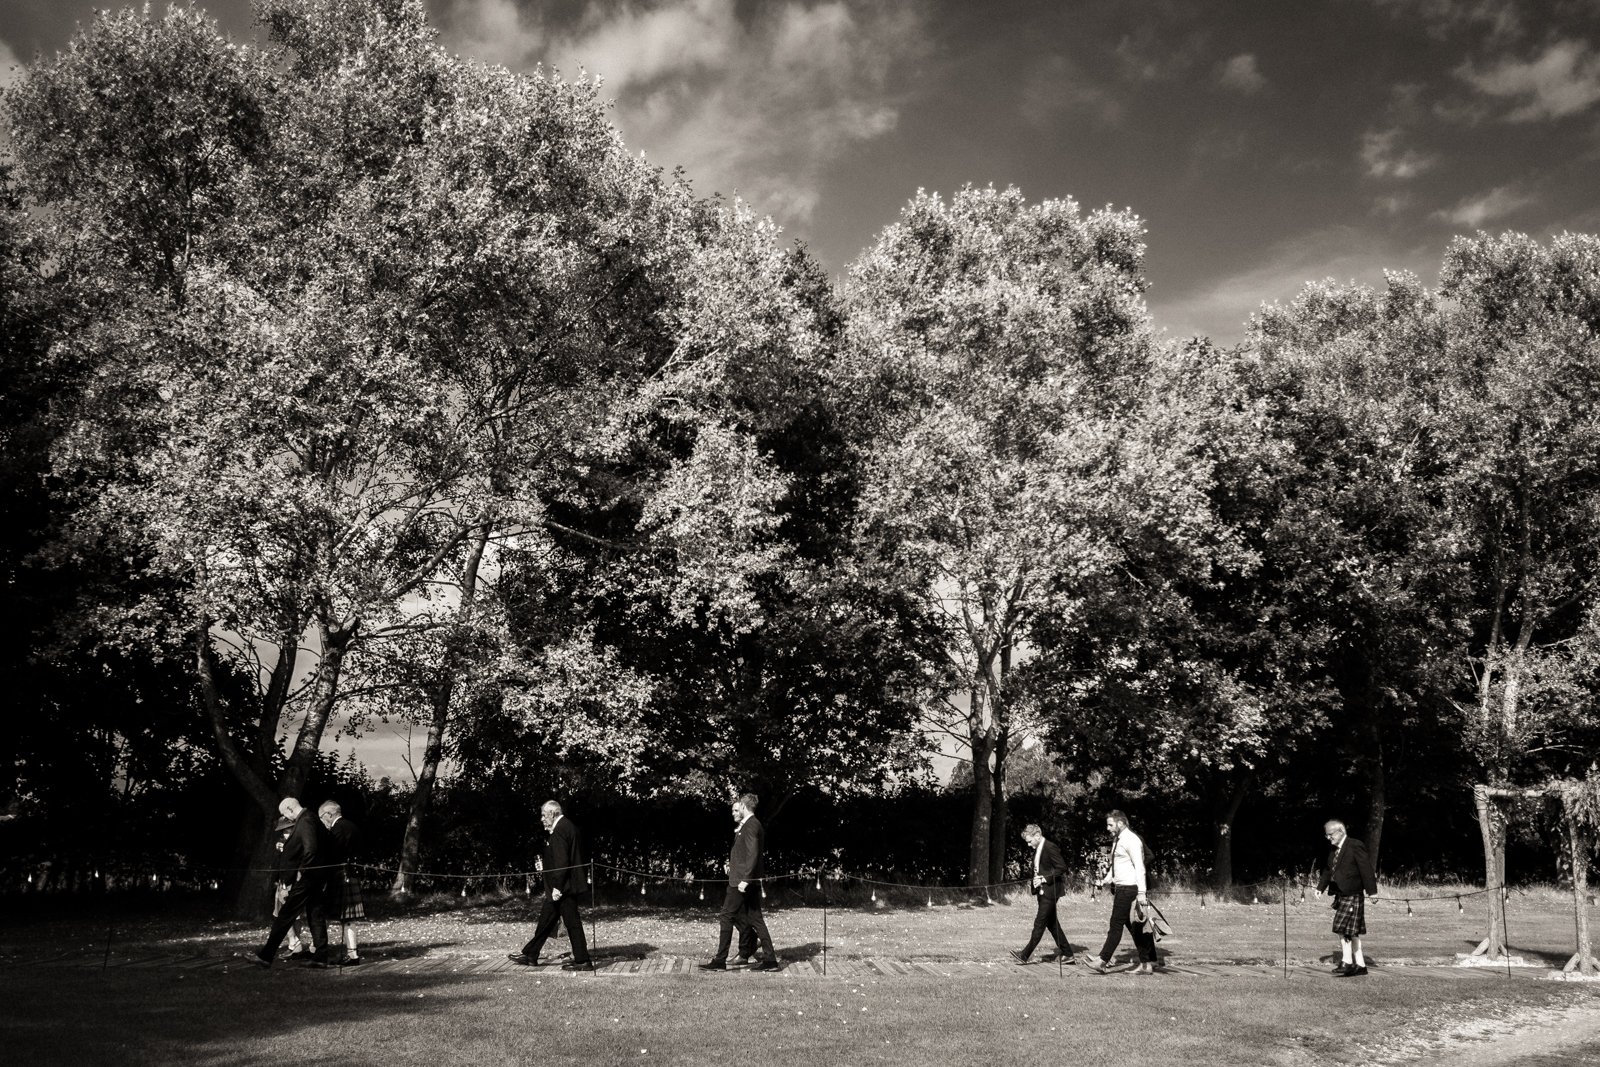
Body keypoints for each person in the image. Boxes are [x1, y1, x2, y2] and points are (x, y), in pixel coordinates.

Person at [507, 801, 592, 971]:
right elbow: (564, 857)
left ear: (553, 813)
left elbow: (562, 862)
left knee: (572, 922)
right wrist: (545, 866)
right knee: (547, 919)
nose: (542, 819)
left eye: (544, 815)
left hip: (563, 887)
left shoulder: (560, 830)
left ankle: (583, 961)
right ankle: (531, 954)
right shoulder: (568, 826)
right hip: (564, 884)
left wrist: (557, 888)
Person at [700, 793, 780, 972]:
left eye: (737, 808)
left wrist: (745, 879)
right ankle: (770, 960)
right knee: (755, 919)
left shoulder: (751, 825)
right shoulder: (751, 825)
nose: (735, 812)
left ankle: (720, 961)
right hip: (743, 878)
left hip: (741, 882)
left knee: (726, 916)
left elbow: (752, 854)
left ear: (744, 806)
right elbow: (746, 854)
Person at [251, 798, 331, 968]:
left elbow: (311, 849)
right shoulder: (310, 819)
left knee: (286, 915)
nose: (285, 816)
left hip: (308, 878)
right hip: (315, 876)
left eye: (284, 813)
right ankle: (321, 957)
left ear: (289, 808)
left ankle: (266, 956)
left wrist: (302, 872)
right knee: (315, 914)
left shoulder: (306, 820)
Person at [1084, 810, 1159, 975]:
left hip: (1128, 889)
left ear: (1120, 822)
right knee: (1135, 928)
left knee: (1115, 925)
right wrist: (1105, 880)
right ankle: (1147, 963)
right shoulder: (1119, 840)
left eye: (1110, 824)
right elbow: (1117, 866)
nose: (1108, 828)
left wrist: (1141, 893)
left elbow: (1140, 867)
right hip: (1122, 888)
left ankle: (1102, 960)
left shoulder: (1131, 840)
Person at [1009, 824, 1077, 965]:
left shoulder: (1050, 847)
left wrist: (1044, 878)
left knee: (1039, 923)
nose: (1028, 845)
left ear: (1037, 836)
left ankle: (1024, 955)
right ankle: (1068, 954)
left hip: (1050, 891)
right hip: (1042, 890)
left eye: (1030, 841)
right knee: (1052, 924)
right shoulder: (1038, 848)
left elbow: (1062, 868)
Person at [1318, 819, 1377, 977]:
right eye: (1326, 835)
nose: (1328, 838)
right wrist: (1320, 888)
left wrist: (1372, 892)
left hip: (1353, 893)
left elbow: (1366, 869)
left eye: (1330, 835)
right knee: (1350, 930)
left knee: (1341, 927)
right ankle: (1360, 965)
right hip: (1341, 894)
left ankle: (1347, 962)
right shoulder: (1333, 849)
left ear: (1340, 831)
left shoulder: (1354, 845)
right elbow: (1328, 870)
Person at [318, 800, 364, 967]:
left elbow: (333, 854)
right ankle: (351, 953)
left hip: (342, 875)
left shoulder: (337, 828)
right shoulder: (352, 826)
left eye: (322, 818)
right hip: (351, 875)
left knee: (347, 917)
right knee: (348, 918)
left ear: (329, 815)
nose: (322, 822)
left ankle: (352, 955)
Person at [271, 812, 312, 961]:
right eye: (284, 830)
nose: (286, 833)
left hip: (294, 883)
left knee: (289, 915)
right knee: (284, 914)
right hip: (285, 882)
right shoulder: (282, 845)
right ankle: (293, 943)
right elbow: (279, 866)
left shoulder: (299, 844)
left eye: (289, 830)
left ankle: (295, 943)